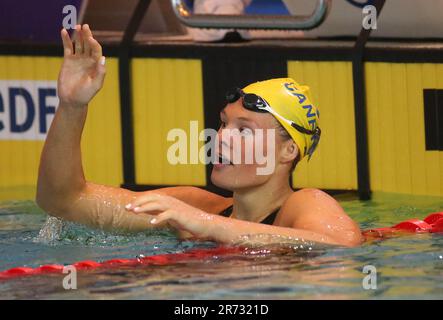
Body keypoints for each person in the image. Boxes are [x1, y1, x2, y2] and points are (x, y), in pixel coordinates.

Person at [36, 24, 363, 247]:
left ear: (288, 151)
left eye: (244, 131)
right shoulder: (194, 204)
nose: (221, 138)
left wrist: (207, 225)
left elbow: (341, 244)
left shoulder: (304, 203)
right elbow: (63, 202)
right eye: (223, 124)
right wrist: (71, 105)